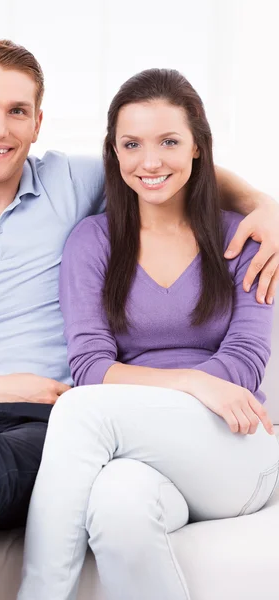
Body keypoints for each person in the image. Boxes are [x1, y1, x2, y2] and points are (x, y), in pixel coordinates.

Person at [0, 41, 278, 600]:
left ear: (38, 122)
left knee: (5, 446)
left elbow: (171, 165)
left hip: (46, 421)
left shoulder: (71, 186)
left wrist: (268, 205)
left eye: (17, 110)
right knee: (111, 503)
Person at [17, 68, 279, 600]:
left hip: (233, 445)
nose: (150, 161)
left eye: (169, 142)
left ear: (199, 147)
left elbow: (247, 362)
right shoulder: (91, 243)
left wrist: (193, 391)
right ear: (113, 153)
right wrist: (191, 382)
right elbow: (90, 367)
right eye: (131, 144)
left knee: (74, 410)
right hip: (139, 455)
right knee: (117, 503)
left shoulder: (244, 236)